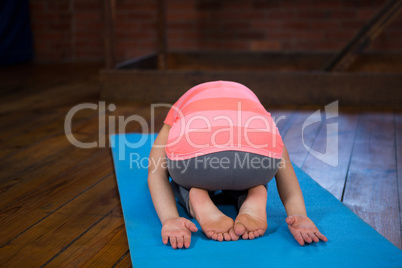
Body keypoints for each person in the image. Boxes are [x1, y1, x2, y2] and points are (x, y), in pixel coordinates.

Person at [148, 81, 328, 249]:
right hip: (258, 166)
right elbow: (283, 162)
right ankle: (254, 193)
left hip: (197, 167)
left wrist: (170, 219)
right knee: (252, 169)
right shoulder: (253, 103)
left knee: (177, 180)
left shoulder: (181, 104)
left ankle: (196, 197)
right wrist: (300, 215)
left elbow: (156, 171)